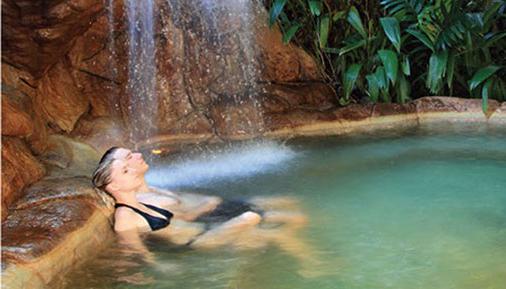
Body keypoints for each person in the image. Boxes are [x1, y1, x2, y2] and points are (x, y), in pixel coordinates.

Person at [92, 147, 323, 276]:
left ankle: (313, 266)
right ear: (113, 186)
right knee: (252, 217)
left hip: (206, 230)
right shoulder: (125, 216)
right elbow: (133, 248)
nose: (131, 170)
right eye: (125, 170)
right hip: (197, 241)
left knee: (275, 233)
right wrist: (158, 266)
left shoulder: (142, 204)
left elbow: (180, 217)